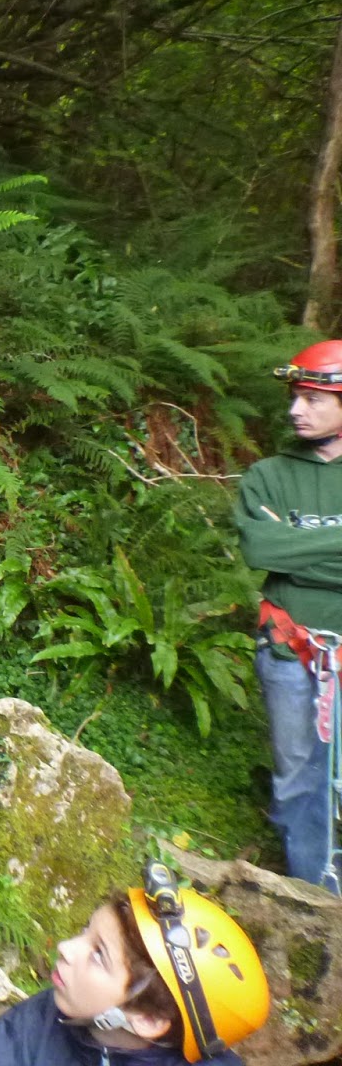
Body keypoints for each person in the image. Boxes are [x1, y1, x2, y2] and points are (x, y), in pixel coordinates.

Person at [0, 862, 270, 1065]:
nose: (66, 948)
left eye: (99, 955)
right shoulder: (33, 1028)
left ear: (148, 1019)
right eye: (84, 931)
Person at [234, 340, 342, 894]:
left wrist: (301, 545)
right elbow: (261, 549)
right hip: (289, 652)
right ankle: (313, 900)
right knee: (298, 778)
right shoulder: (268, 476)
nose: (295, 410)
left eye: (312, 399)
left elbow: (284, 549)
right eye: (295, 398)